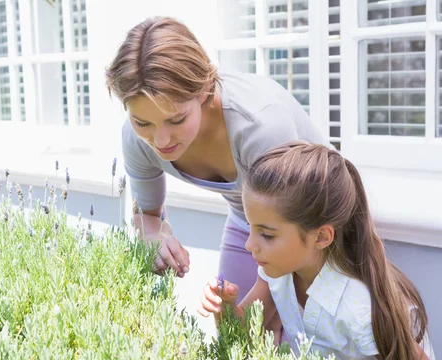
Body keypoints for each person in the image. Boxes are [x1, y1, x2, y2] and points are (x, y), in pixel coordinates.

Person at [104, 16, 331, 341]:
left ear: (203, 90)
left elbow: (290, 234)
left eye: (176, 118)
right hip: (250, 222)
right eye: (144, 123)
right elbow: (147, 216)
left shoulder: (260, 126)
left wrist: (247, 321)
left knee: (295, 349)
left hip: (313, 227)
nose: (161, 140)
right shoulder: (136, 139)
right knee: (233, 343)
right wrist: (153, 238)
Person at [198, 141, 441, 360]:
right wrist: (224, 308)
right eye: (251, 227)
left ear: (322, 237)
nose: (249, 245)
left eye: (267, 235)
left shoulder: (358, 309)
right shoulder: (278, 274)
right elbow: (241, 338)